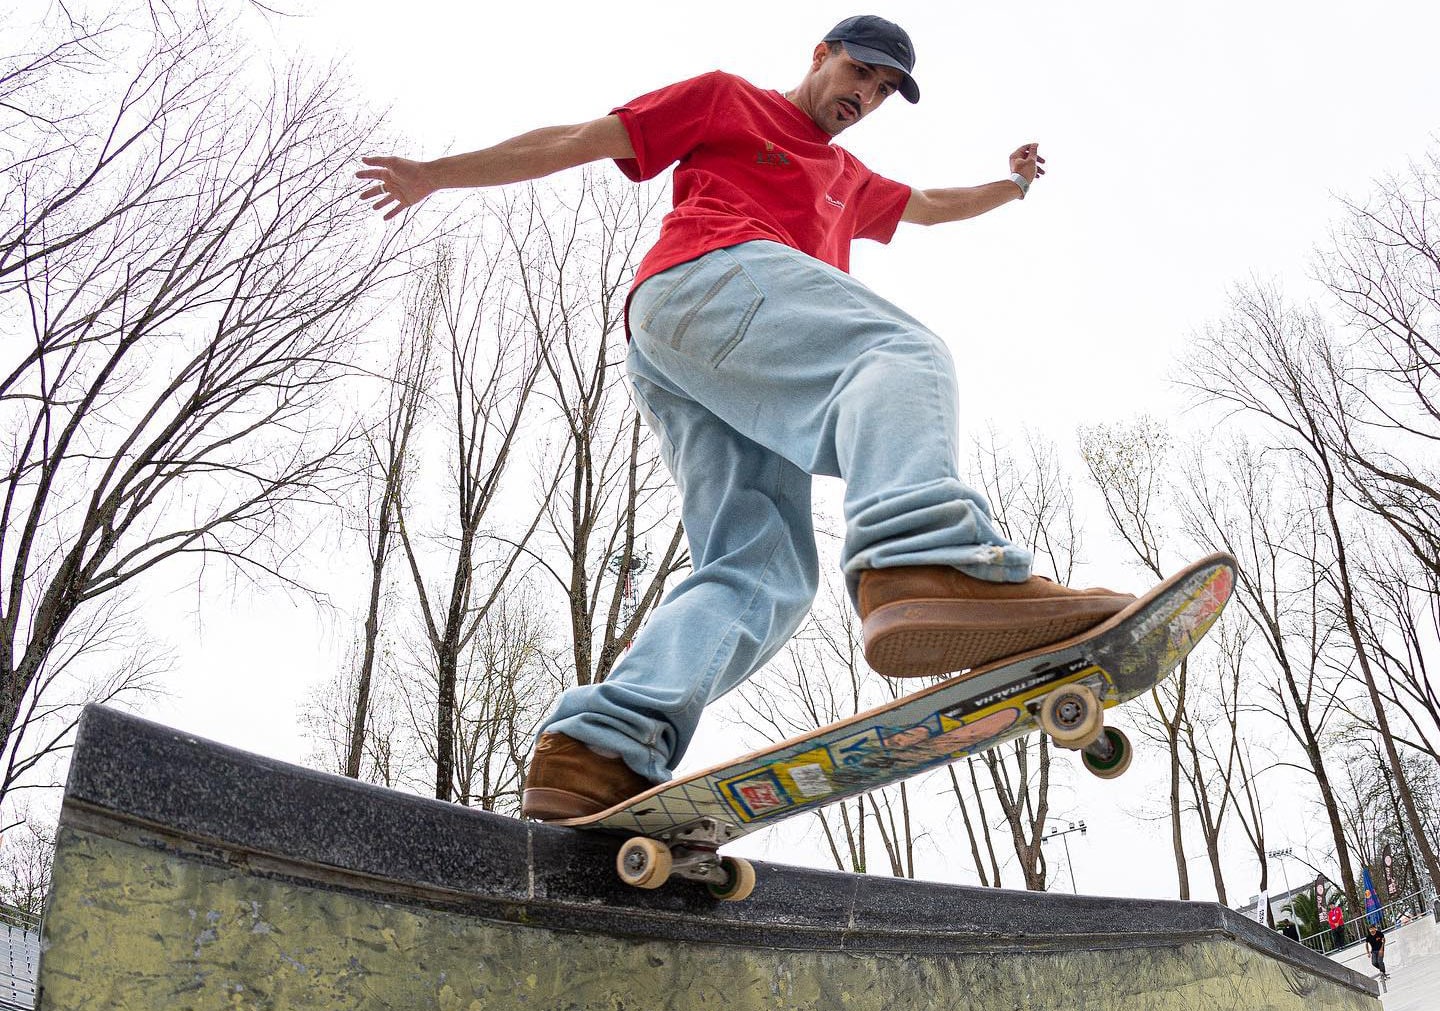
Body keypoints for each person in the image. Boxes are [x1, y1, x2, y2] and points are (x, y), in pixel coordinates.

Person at [357, 16, 1135, 820]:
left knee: (760, 568)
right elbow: (580, 139)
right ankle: (926, 561)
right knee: (900, 358)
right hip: (707, 283)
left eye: (879, 92)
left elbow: (933, 207)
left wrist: (1013, 187)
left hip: (710, 368)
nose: (862, 97)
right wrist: (436, 174)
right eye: (857, 74)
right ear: (820, 55)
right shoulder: (730, 101)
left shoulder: (849, 178)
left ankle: (599, 749)